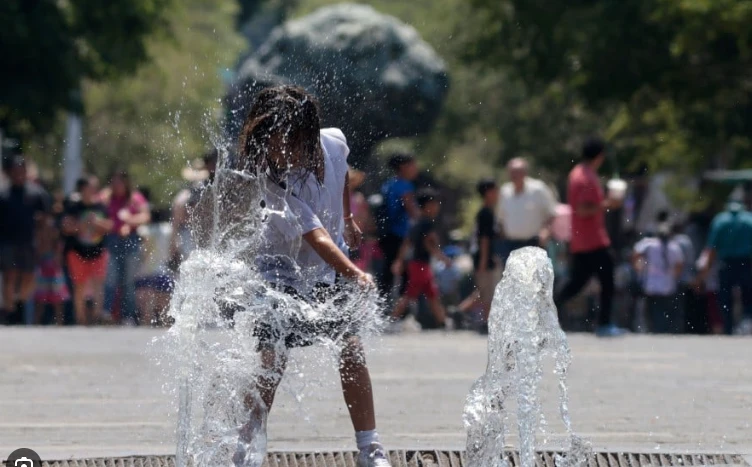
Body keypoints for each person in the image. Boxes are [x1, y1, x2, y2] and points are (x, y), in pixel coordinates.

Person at [232, 86, 390, 467]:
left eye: (287, 144)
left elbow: (345, 176)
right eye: (271, 145)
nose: (280, 154)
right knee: (272, 359)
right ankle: (244, 446)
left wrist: (348, 218)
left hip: (325, 271)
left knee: (350, 348)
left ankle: (370, 447)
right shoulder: (274, 182)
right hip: (281, 272)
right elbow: (315, 234)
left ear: (307, 135)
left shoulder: (332, 142)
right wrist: (354, 271)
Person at [554, 138, 625, 337]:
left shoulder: (580, 173)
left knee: (577, 282)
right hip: (591, 240)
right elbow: (583, 209)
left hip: (585, 239)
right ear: (600, 155)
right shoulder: (585, 177)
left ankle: (544, 311)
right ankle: (604, 323)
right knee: (606, 281)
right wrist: (608, 203)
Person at [0, 155, 50, 325]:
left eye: (21, 171)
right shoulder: (3, 193)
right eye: (15, 171)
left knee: (29, 277)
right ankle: (10, 311)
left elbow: (45, 221)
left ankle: (19, 302)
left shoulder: (37, 193)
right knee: (9, 276)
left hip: (29, 242)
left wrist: (44, 243)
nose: (18, 174)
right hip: (7, 242)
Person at [390, 188, 450, 328]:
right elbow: (429, 244)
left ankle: (442, 322)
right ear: (427, 206)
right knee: (409, 294)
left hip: (418, 264)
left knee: (432, 293)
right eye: (434, 204)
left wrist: (399, 260)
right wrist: (443, 258)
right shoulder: (427, 224)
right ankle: (392, 320)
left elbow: (406, 243)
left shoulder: (416, 222)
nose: (437, 207)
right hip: (420, 265)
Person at [696, 197, 752, 335]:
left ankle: (728, 327)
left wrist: (704, 272)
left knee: (725, 297)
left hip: (726, 264)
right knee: (748, 296)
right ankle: (746, 323)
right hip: (746, 263)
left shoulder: (720, 220)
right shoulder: (749, 220)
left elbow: (711, 248)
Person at [102, 170, 151, 324]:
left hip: (131, 240)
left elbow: (145, 216)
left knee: (129, 281)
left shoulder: (135, 198)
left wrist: (129, 220)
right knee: (110, 279)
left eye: (119, 182)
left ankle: (128, 316)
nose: (116, 186)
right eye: (114, 183)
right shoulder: (107, 197)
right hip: (112, 240)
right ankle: (107, 314)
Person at [62, 176, 113, 325]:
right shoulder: (73, 207)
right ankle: (81, 318)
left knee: (98, 285)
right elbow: (66, 228)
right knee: (80, 286)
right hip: (77, 252)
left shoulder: (101, 207)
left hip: (98, 252)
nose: (93, 190)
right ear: (83, 189)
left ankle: (97, 317)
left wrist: (96, 222)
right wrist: (82, 224)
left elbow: (110, 226)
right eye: (90, 187)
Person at [455, 179, 501, 333]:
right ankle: (488, 322)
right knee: (488, 293)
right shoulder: (485, 213)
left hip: (486, 257)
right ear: (488, 193)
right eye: (495, 191)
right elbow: (484, 239)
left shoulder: (489, 211)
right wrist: (483, 261)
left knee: (482, 291)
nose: (497, 194)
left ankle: (458, 312)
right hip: (483, 258)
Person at [377, 153, 419, 302]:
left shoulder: (388, 184)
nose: (416, 168)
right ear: (403, 167)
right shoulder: (404, 186)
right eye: (413, 165)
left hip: (387, 234)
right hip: (400, 235)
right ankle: (399, 312)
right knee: (405, 273)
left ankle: (381, 305)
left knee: (387, 271)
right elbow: (413, 212)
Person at [497, 158, 557, 261]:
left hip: (534, 243)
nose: (515, 175)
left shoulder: (538, 189)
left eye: (518, 172)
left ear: (525, 173)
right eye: (512, 172)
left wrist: (545, 231)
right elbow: (501, 218)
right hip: (511, 245)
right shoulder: (504, 191)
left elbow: (551, 213)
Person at [632, 222, 684, 333]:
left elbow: (636, 254)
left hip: (651, 284)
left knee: (652, 309)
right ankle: (662, 330)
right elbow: (679, 266)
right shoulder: (674, 247)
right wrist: (673, 276)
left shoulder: (649, 244)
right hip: (667, 284)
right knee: (664, 309)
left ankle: (654, 329)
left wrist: (639, 268)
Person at [34, 215, 70, 325]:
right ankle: (36, 323)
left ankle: (60, 323)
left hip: (54, 269)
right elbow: (39, 251)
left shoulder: (57, 238)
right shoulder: (39, 234)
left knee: (58, 299)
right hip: (42, 268)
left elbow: (59, 257)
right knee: (40, 299)